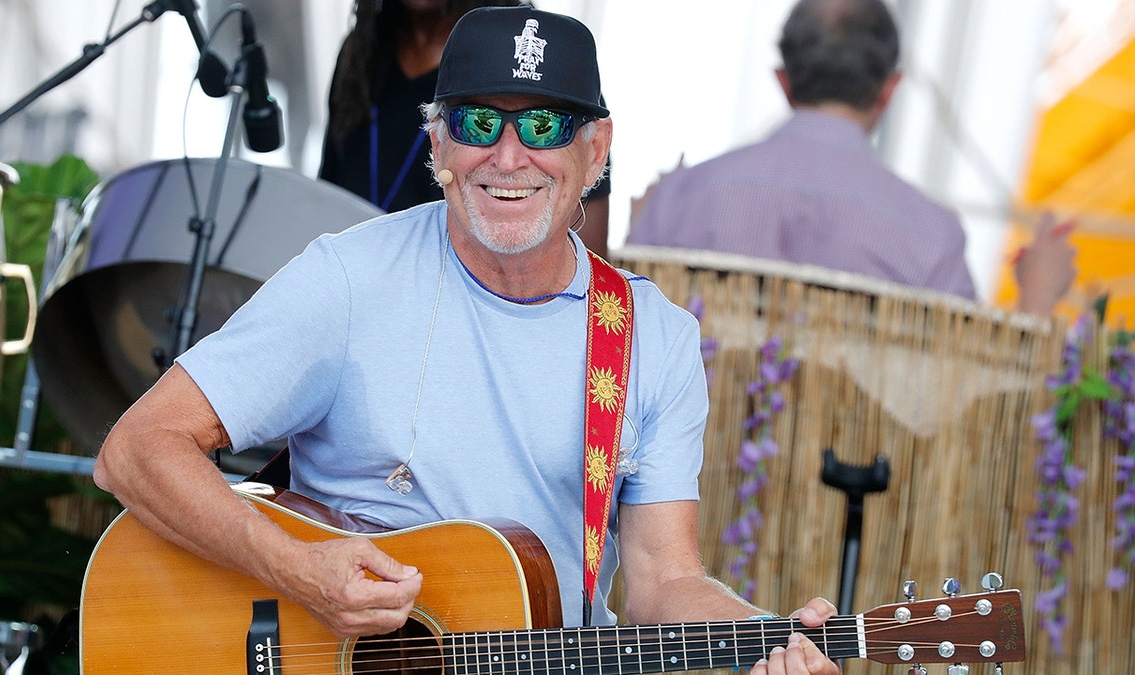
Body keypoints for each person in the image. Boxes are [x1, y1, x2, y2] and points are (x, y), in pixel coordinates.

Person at [94, 7, 839, 674]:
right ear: (439, 143)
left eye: (544, 125)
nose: (508, 157)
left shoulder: (652, 339)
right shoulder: (347, 279)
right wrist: (295, 569)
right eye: (479, 123)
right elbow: (135, 449)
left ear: (597, 149)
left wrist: (763, 635)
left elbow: (661, 581)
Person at [627, 0, 1075, 315]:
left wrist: (637, 231)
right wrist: (1036, 302)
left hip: (691, 447)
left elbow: (623, 328)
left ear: (783, 80)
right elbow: (957, 399)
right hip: (857, 451)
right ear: (890, 89)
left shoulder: (682, 199)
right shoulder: (932, 236)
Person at [318, 0, 613, 257]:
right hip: (361, 280)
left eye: (541, 125)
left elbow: (582, 241)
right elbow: (326, 190)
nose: (509, 158)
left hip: (476, 296)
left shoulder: (541, 55)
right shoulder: (362, 52)